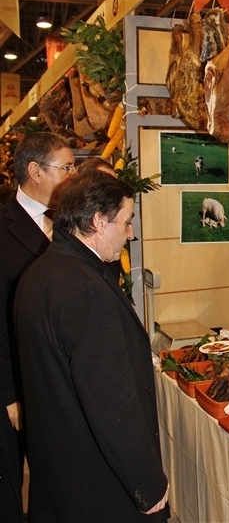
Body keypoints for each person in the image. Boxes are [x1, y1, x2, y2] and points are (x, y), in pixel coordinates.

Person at [14, 171, 169, 522]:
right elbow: (112, 403)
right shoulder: (84, 289)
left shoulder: (39, 273)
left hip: (60, 473)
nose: (130, 233)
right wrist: (148, 484)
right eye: (126, 221)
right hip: (98, 486)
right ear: (99, 222)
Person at [0, 131, 75, 522]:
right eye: (67, 168)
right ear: (35, 171)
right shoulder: (3, 229)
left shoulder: (72, 220)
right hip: (22, 380)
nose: (73, 176)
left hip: (68, 373)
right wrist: (9, 393)